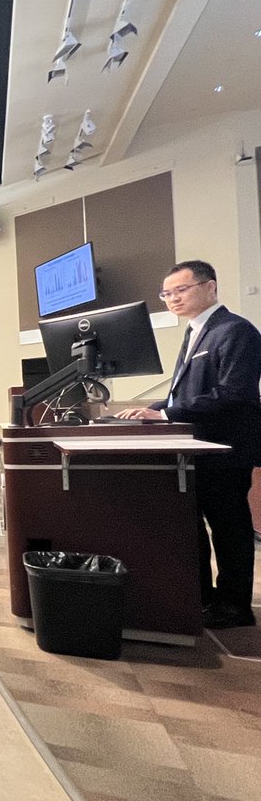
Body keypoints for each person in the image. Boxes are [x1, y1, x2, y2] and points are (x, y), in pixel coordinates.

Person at [116, 260, 261, 629]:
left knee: (229, 528)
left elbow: (235, 394)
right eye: (167, 294)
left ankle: (234, 607)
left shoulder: (235, 331)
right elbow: (184, 390)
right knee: (191, 524)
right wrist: (153, 408)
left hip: (224, 450)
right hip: (195, 448)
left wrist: (166, 415)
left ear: (210, 287)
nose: (173, 299)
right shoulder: (195, 332)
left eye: (182, 290)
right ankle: (202, 597)